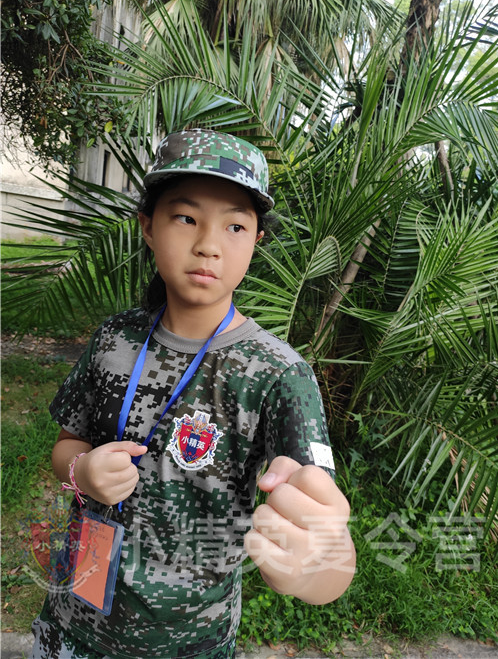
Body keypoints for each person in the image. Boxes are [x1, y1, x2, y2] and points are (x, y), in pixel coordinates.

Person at [30, 129, 355, 659]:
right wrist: (81, 472)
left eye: (235, 225)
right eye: (185, 218)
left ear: (256, 240)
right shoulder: (115, 340)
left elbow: (319, 518)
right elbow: (67, 445)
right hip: (69, 627)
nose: (208, 244)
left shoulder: (278, 374)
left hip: (188, 643)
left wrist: (319, 566)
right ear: (148, 226)